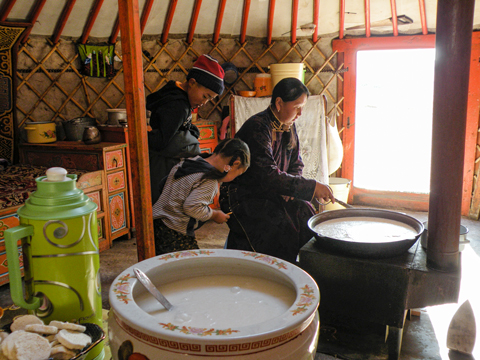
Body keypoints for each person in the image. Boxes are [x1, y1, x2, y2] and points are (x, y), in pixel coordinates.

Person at [219, 77, 335, 263]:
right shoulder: (257, 127)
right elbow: (266, 174)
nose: (300, 113)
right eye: (297, 107)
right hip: (244, 195)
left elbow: (296, 164)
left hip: (272, 190)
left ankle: (307, 267)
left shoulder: (288, 125)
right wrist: (311, 187)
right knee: (282, 224)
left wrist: (291, 190)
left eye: (302, 107)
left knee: (305, 211)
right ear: (279, 103)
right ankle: (279, 272)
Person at [147, 54, 225, 204]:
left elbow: (178, 127)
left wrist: (190, 130)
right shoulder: (178, 107)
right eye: (205, 96)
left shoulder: (175, 93)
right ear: (192, 83)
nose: (205, 102)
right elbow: (160, 142)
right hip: (162, 166)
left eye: (210, 100)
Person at [152, 138, 250, 255]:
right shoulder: (209, 180)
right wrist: (214, 215)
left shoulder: (190, 161)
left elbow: (163, 183)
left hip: (156, 222)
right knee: (191, 267)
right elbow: (192, 207)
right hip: (174, 231)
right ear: (235, 164)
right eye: (237, 174)